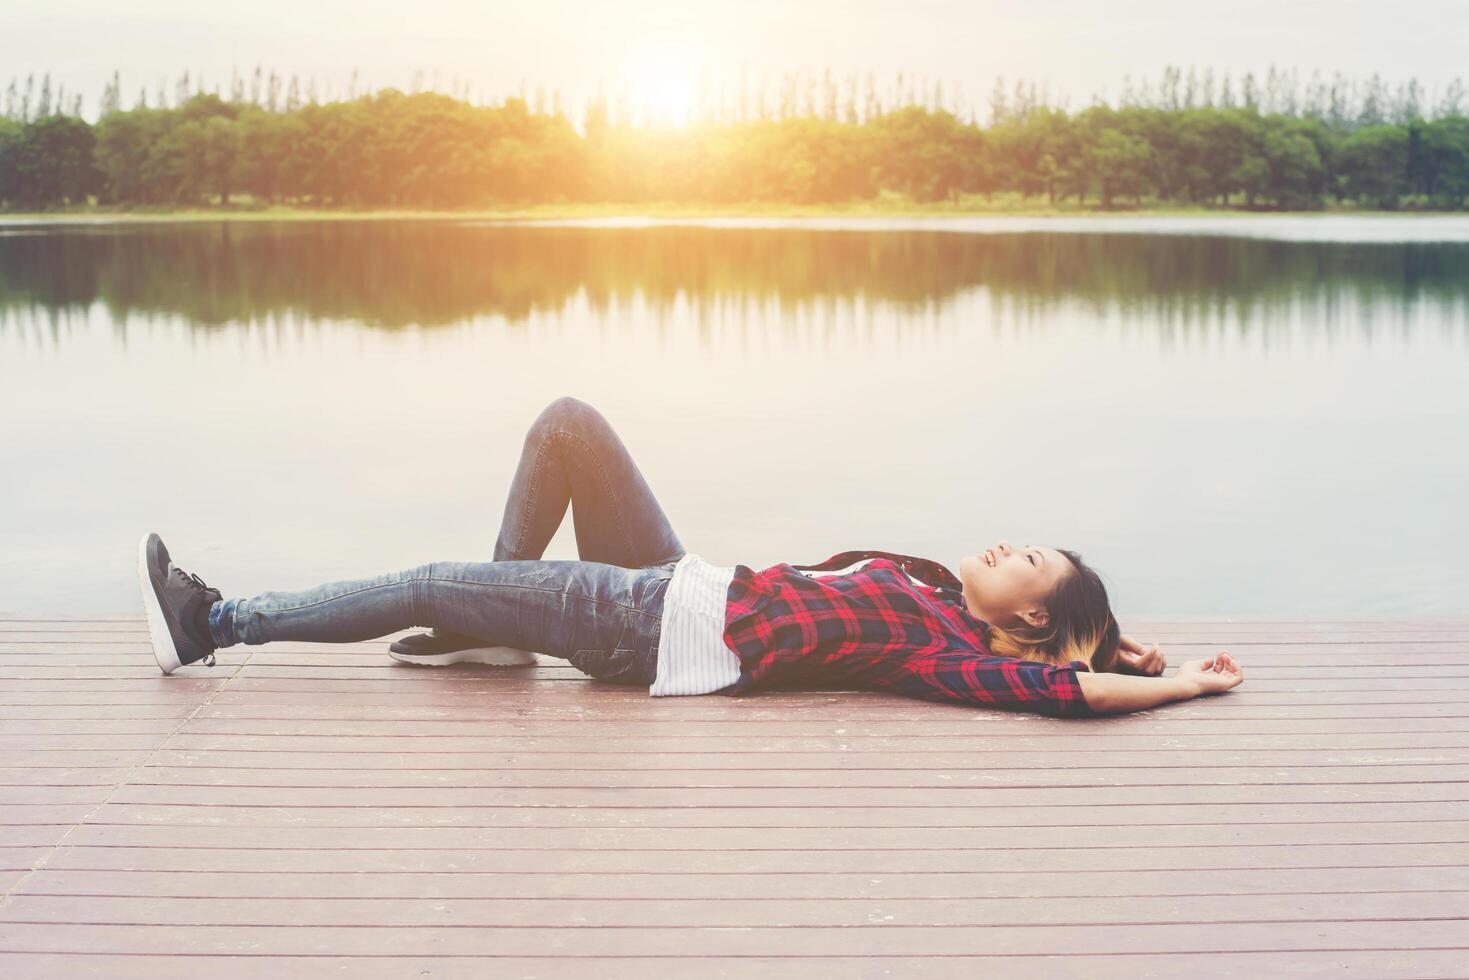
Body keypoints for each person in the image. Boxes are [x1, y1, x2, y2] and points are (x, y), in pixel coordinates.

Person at [138, 396, 1243, 718]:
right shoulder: (933, 586)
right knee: (567, 423)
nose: (1007, 541)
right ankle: (492, 624)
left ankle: (216, 623)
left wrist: (1174, 682)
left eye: (1029, 557)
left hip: (636, 621)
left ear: (1032, 613)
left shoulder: (943, 644)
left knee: (425, 579)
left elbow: (1045, 686)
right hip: (677, 581)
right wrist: (1129, 642)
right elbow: (1064, 652)